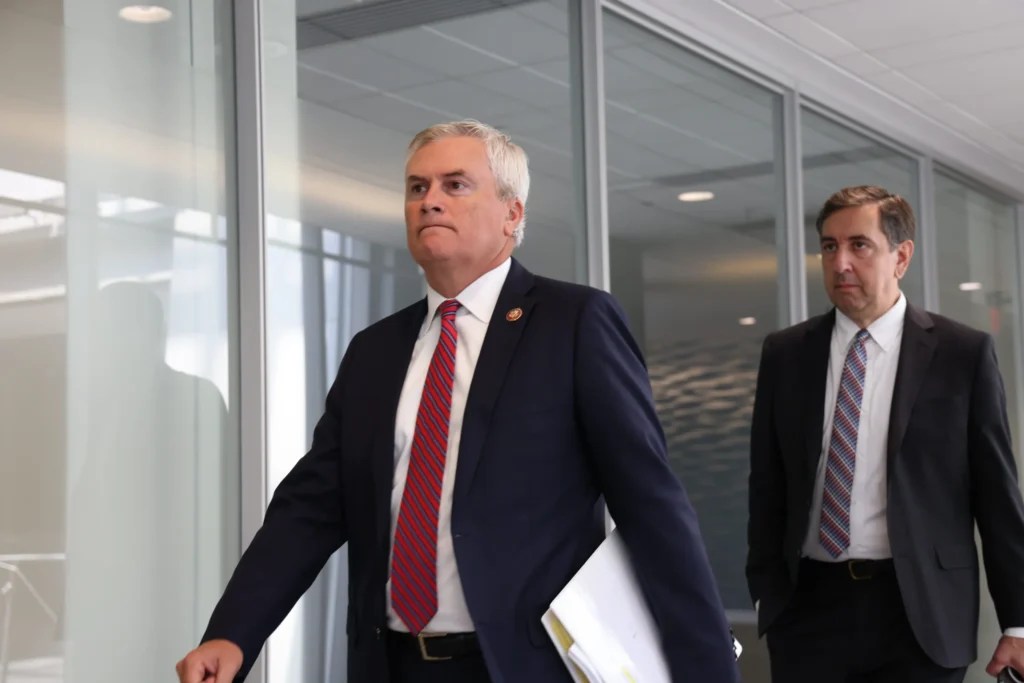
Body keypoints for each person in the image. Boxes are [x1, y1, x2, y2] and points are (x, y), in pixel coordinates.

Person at [176, 120, 738, 683]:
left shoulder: (574, 324)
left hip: (521, 665)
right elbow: (311, 507)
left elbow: (651, 505)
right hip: (390, 664)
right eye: (417, 188)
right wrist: (234, 631)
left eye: (455, 185)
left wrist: (708, 669)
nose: (430, 202)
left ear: (512, 214)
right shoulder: (374, 351)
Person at [746, 184, 1024, 682]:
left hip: (919, 613)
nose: (840, 263)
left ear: (901, 256)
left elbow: (997, 497)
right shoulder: (786, 353)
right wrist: (766, 587)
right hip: (809, 611)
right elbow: (767, 482)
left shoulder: (963, 354)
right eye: (829, 246)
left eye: (859, 245)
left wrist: (1018, 623)